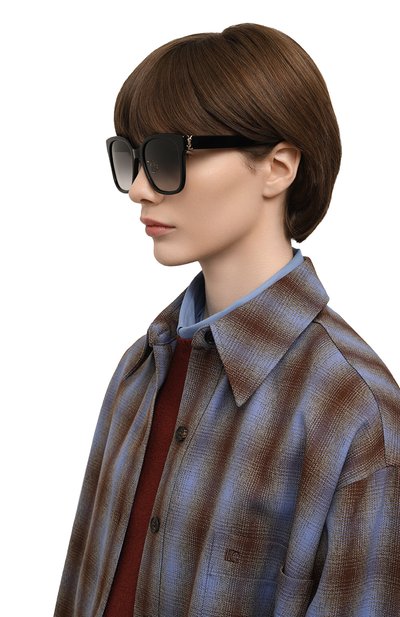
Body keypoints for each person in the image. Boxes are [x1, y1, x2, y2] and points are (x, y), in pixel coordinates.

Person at [54, 23, 400, 617]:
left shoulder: (354, 417)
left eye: (167, 155)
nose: (138, 189)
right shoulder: (143, 367)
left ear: (278, 167)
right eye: (131, 157)